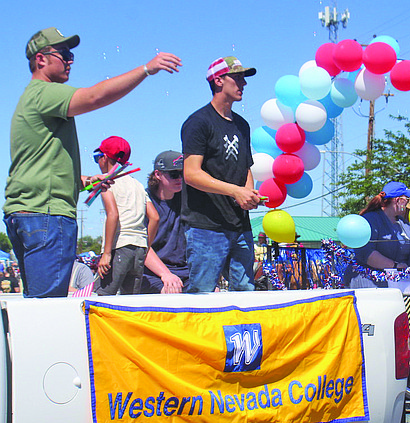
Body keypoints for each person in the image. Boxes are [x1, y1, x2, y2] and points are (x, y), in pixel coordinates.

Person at [4, 27, 181, 298]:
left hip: (28, 212)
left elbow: (44, 170)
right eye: (64, 54)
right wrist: (146, 69)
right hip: (47, 215)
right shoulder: (43, 93)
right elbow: (94, 97)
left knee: (38, 302)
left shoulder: (32, 101)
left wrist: (89, 181)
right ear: (41, 60)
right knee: (48, 307)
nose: (71, 60)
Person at [181, 57, 262, 292]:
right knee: (202, 293)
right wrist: (236, 191)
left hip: (239, 224)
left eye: (243, 79)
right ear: (218, 80)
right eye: (237, 78)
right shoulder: (198, 122)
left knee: (246, 292)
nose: (243, 84)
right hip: (206, 226)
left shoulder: (242, 125)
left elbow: (246, 167)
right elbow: (191, 173)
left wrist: (248, 194)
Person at [94, 136, 159, 295]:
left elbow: (113, 215)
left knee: (103, 297)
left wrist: (107, 253)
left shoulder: (107, 182)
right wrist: (145, 245)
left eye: (97, 158)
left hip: (119, 246)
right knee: (130, 300)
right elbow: (155, 218)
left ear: (105, 158)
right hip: (139, 248)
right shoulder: (137, 185)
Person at [344, 181, 410, 288]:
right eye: (406, 201)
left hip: (396, 285)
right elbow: (366, 253)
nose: (407, 205)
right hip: (369, 283)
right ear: (398, 201)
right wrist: (395, 266)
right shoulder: (371, 220)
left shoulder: (403, 223)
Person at [141, 151, 189, 294]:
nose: (179, 178)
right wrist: (165, 274)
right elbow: (142, 246)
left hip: (184, 270)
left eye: (182, 174)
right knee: (170, 293)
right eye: (174, 174)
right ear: (158, 174)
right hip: (151, 272)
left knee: (213, 293)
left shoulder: (187, 199)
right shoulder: (143, 201)